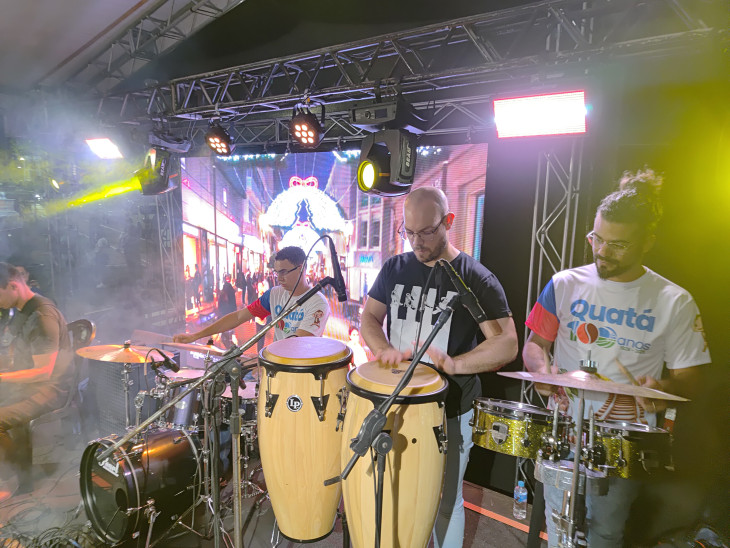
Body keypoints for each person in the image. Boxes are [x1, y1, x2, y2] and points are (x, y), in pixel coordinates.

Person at [522, 169, 710, 548]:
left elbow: (692, 377)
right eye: (597, 239)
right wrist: (542, 371)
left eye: (619, 245)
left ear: (647, 242)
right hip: (564, 430)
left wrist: (662, 389)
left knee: (605, 532)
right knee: (558, 525)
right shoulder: (564, 284)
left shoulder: (674, 301)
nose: (603, 252)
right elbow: (534, 344)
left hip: (622, 442)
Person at [360, 187, 518, 548]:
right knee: (396, 490)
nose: (417, 242)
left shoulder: (474, 277)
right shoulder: (395, 267)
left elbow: (507, 343)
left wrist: (455, 364)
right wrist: (382, 349)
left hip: (452, 409)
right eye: (409, 232)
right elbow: (369, 317)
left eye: (427, 232)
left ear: (448, 221)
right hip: (397, 402)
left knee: (446, 500)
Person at [0, 263, 74, 502]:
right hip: (28, 385)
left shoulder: (42, 315)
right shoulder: (21, 309)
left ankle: (18, 477)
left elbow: (43, 372)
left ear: (13, 286)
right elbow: (18, 355)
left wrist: (2, 377)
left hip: (51, 389)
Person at [173, 246, 331, 346]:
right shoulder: (274, 294)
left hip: (303, 372)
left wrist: (264, 359)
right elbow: (238, 317)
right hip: (277, 368)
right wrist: (195, 336)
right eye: (277, 272)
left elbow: (299, 344)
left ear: (301, 268)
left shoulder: (318, 303)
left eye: (284, 272)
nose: (279, 278)